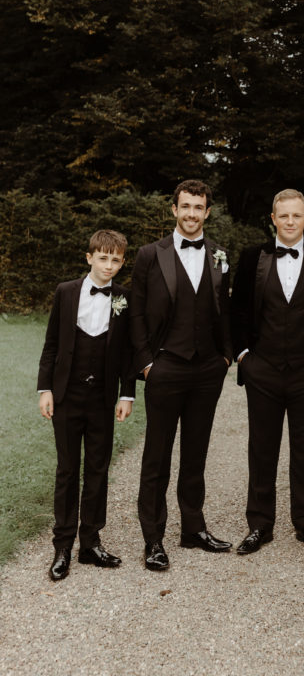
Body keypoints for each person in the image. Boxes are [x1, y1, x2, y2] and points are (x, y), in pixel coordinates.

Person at [230, 189, 304, 554]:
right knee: (261, 448)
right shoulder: (253, 257)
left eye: (297, 216)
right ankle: (259, 524)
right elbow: (237, 310)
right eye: (284, 216)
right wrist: (244, 355)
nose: (291, 222)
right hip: (262, 368)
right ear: (273, 218)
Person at [130, 179, 232, 572]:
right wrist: (147, 362)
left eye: (198, 207)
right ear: (173, 209)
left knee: (196, 452)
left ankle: (193, 527)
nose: (191, 214)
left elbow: (226, 306)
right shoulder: (148, 255)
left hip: (207, 367)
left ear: (208, 212)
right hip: (165, 364)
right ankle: (153, 538)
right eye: (185, 206)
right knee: (156, 456)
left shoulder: (221, 254)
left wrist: (224, 357)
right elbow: (136, 313)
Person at [37, 229, 135, 581]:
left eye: (116, 260)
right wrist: (44, 389)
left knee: (98, 469)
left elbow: (127, 352)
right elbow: (51, 345)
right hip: (66, 396)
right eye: (103, 258)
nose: (109, 266)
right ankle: (62, 545)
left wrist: (127, 394)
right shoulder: (66, 292)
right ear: (89, 257)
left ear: (122, 262)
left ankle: (90, 542)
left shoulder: (125, 297)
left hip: (103, 398)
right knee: (67, 469)